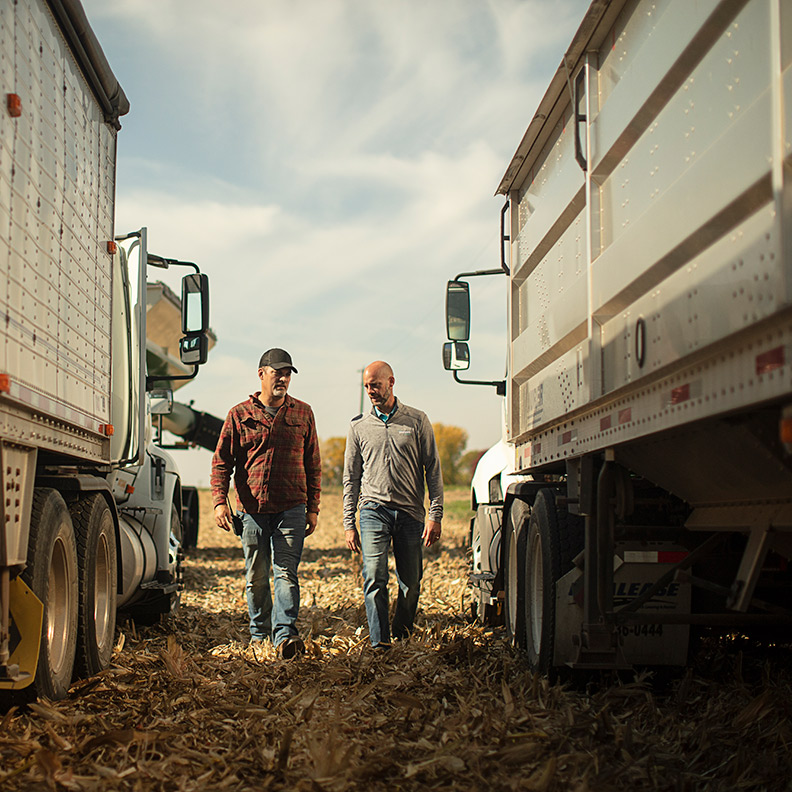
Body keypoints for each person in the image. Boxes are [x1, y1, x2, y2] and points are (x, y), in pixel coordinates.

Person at [211, 348, 321, 659]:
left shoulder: (303, 413)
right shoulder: (239, 414)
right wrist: (221, 503)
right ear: (262, 374)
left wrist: (313, 508)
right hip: (251, 511)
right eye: (278, 373)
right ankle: (259, 634)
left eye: (288, 374)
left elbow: (313, 463)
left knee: (286, 572)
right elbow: (221, 463)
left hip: (291, 508)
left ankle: (285, 635)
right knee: (256, 576)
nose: (283, 379)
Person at [342, 360, 443, 649]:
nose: (371, 391)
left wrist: (435, 514)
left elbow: (433, 469)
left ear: (391, 382)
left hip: (410, 513)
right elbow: (351, 478)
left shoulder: (416, 420)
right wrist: (349, 523)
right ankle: (380, 642)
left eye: (375, 384)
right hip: (373, 511)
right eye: (367, 386)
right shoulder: (359, 427)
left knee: (411, 584)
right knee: (374, 575)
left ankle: (401, 633)